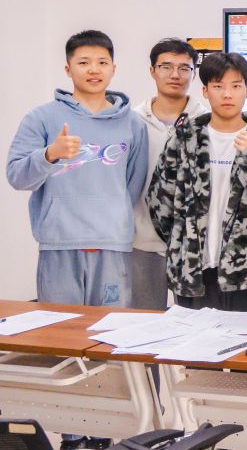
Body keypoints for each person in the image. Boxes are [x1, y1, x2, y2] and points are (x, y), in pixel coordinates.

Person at [7, 30, 148, 309]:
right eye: (83, 62)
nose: (94, 70)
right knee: (60, 326)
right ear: (68, 69)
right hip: (59, 243)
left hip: (112, 244)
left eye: (102, 62)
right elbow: (17, 176)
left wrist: (109, 215)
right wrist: (50, 155)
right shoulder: (42, 118)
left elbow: (133, 185)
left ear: (113, 69)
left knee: (109, 327)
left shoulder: (133, 124)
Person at [149, 52, 247, 311]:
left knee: (245, 337)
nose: (227, 94)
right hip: (193, 270)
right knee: (192, 337)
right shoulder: (184, 138)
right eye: (218, 86)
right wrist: (183, 242)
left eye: (236, 86)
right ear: (205, 91)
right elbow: (161, 202)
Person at [131, 38, 207, 311]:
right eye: (166, 66)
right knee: (143, 320)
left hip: (193, 244)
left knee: (194, 322)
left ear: (194, 74)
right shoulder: (132, 121)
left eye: (184, 68)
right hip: (142, 239)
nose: (175, 74)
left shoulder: (207, 120)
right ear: (152, 71)